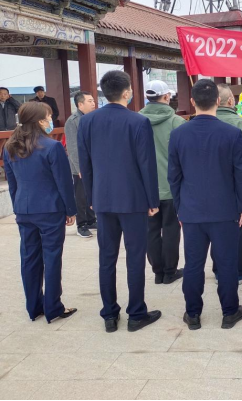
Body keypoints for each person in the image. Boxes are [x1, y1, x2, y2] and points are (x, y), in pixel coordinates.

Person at [78, 70, 162, 334]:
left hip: (103, 198)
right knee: (135, 257)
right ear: (127, 92)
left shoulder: (87, 121)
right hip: (134, 199)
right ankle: (136, 313)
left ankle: (109, 314)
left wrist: (92, 197)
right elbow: (147, 164)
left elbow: (85, 165)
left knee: (107, 257)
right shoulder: (138, 121)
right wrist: (152, 200)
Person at [168, 79, 242, 331]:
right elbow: (240, 175)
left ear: (192, 101)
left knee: (193, 264)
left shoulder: (178, 134)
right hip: (225, 210)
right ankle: (229, 312)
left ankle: (193, 314)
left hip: (191, 210)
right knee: (226, 264)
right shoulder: (232, 133)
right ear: (218, 100)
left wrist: (180, 207)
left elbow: (174, 176)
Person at [3, 102, 78, 324]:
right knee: (52, 258)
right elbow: (64, 182)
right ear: (39, 121)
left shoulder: (10, 146)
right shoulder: (52, 147)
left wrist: (18, 206)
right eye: (48, 116)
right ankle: (53, 307)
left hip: (24, 210)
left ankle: (34, 307)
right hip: (50, 209)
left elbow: (13, 183)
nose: (50, 120)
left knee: (29, 258)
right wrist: (70, 210)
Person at [140, 81, 186, 285]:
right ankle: (170, 271)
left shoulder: (136, 120)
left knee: (150, 231)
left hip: (144, 188)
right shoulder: (177, 122)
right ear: (166, 97)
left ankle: (157, 271)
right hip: (171, 186)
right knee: (171, 230)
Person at [215, 83, 242, 285]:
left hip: (205, 188)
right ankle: (239, 269)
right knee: (237, 228)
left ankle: (218, 268)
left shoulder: (199, 123)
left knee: (213, 229)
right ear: (231, 101)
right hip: (235, 186)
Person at [64, 91, 97, 239]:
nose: (93, 103)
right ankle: (81, 224)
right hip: (80, 167)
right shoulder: (73, 121)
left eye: (93, 100)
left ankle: (91, 220)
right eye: (89, 101)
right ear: (80, 104)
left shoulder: (93, 118)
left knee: (91, 193)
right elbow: (72, 148)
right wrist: (80, 168)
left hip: (94, 164)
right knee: (81, 196)